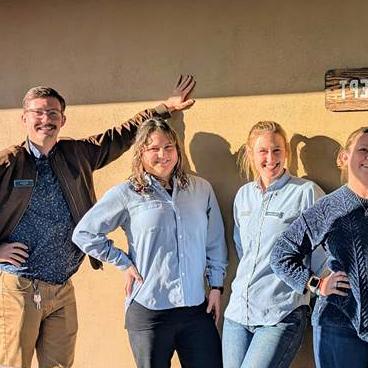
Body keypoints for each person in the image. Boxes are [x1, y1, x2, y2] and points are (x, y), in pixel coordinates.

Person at [0, 75, 196, 368]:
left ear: (63, 119)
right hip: (21, 285)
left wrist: (163, 108)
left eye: (53, 113)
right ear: (24, 119)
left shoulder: (75, 154)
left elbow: (119, 136)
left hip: (63, 285)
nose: (46, 120)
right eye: (38, 113)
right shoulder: (8, 162)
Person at [72, 118, 226, 368]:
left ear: (178, 150)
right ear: (141, 152)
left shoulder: (201, 190)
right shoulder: (127, 193)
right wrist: (122, 261)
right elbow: (84, 233)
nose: (162, 155)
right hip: (150, 311)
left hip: (196, 309)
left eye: (168, 147)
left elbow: (215, 241)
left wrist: (217, 286)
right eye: (153, 148)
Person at [271, 126, 368, 368]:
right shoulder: (329, 207)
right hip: (339, 325)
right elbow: (281, 254)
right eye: (364, 150)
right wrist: (316, 284)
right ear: (344, 157)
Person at [221, 121, 326, 368]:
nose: (271, 158)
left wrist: (317, 286)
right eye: (263, 151)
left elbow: (323, 254)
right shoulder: (243, 195)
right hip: (237, 314)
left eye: (277, 150)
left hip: (280, 313)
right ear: (251, 154)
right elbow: (244, 250)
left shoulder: (306, 193)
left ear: (286, 151)